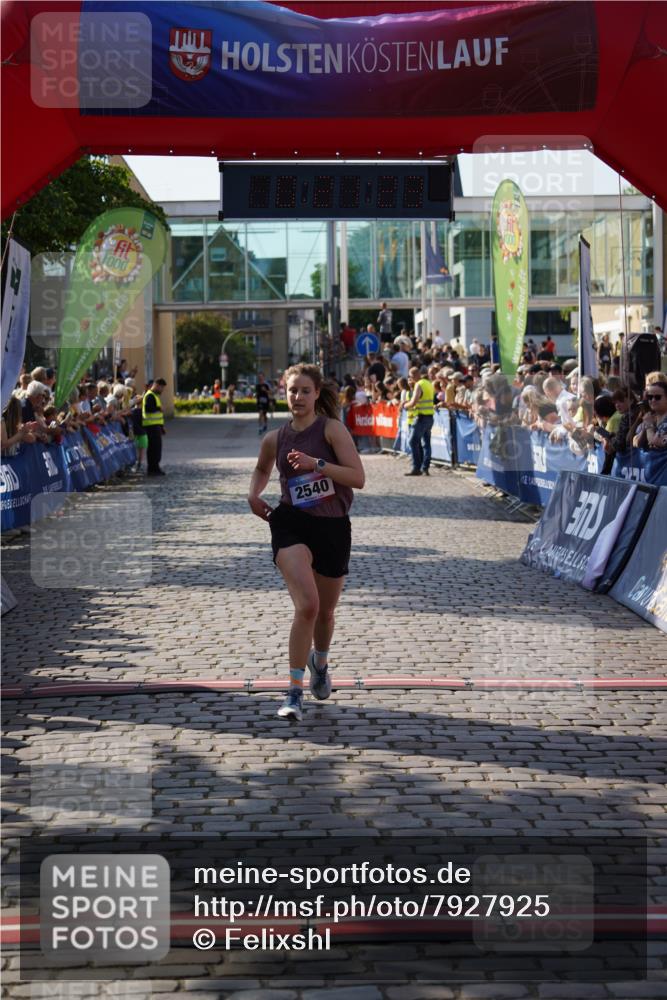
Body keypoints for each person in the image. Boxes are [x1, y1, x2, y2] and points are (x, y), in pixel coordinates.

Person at [247, 363, 365, 722]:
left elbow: (358, 478)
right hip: (290, 524)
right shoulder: (275, 438)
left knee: (326, 613)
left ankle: (321, 662)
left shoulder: (332, 430)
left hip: (332, 526)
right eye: (291, 390)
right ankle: (294, 691)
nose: (297, 397)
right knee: (308, 606)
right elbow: (263, 468)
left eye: (304, 391)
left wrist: (319, 464)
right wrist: (254, 494)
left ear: (316, 395)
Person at [402, 366, 435, 476]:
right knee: (426, 444)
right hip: (430, 417)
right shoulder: (428, 383)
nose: (410, 379)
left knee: (413, 442)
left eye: (411, 377)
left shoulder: (419, 384)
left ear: (415, 375)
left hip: (421, 417)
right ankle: (425, 467)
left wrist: (405, 405)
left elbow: (414, 401)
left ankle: (417, 468)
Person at [142, 377, 167, 476]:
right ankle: (153, 469)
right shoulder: (150, 395)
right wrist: (159, 408)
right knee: (154, 449)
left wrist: (161, 426)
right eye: (162, 388)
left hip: (155, 426)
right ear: (157, 385)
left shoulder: (154, 395)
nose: (162, 390)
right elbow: (149, 409)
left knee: (156, 448)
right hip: (151, 426)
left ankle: (155, 467)